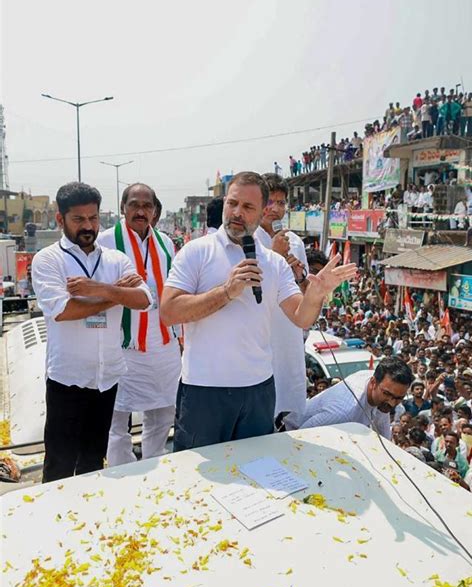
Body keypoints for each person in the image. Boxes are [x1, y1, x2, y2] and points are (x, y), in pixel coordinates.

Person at [161, 171, 357, 451]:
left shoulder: (274, 263)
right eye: (232, 203)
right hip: (205, 389)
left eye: (248, 207)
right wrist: (226, 292)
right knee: (199, 477)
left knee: (255, 470)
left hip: (258, 391)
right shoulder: (196, 252)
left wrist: (316, 293)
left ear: (262, 211)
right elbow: (169, 312)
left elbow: (300, 316)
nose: (237, 213)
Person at [32, 182, 152, 482]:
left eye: (93, 218)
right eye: (79, 219)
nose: (88, 226)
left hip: (106, 377)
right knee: (59, 463)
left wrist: (97, 289)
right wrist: (115, 294)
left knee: (93, 461)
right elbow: (63, 310)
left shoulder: (114, 259)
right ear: (60, 220)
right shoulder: (49, 260)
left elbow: (144, 299)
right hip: (67, 379)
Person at [99, 183, 182, 467]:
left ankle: (153, 465)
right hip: (123, 343)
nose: (141, 211)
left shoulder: (166, 243)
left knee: (162, 413)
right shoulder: (105, 242)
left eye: (147, 206)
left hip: (162, 342)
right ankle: (122, 469)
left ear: (155, 211)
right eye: (135, 204)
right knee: (116, 417)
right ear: (123, 207)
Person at [254, 174, 309, 420]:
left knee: (290, 405)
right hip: (260, 334)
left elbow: (304, 291)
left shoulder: (294, 242)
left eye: (282, 202)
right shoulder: (247, 240)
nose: (276, 209)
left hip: (289, 334)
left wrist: (299, 276)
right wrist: (273, 255)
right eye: (270, 202)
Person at [285, 357, 414, 439]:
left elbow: (382, 431)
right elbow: (300, 437)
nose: (392, 403)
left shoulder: (381, 391)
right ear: (373, 383)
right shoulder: (344, 412)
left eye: (399, 398)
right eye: (387, 394)